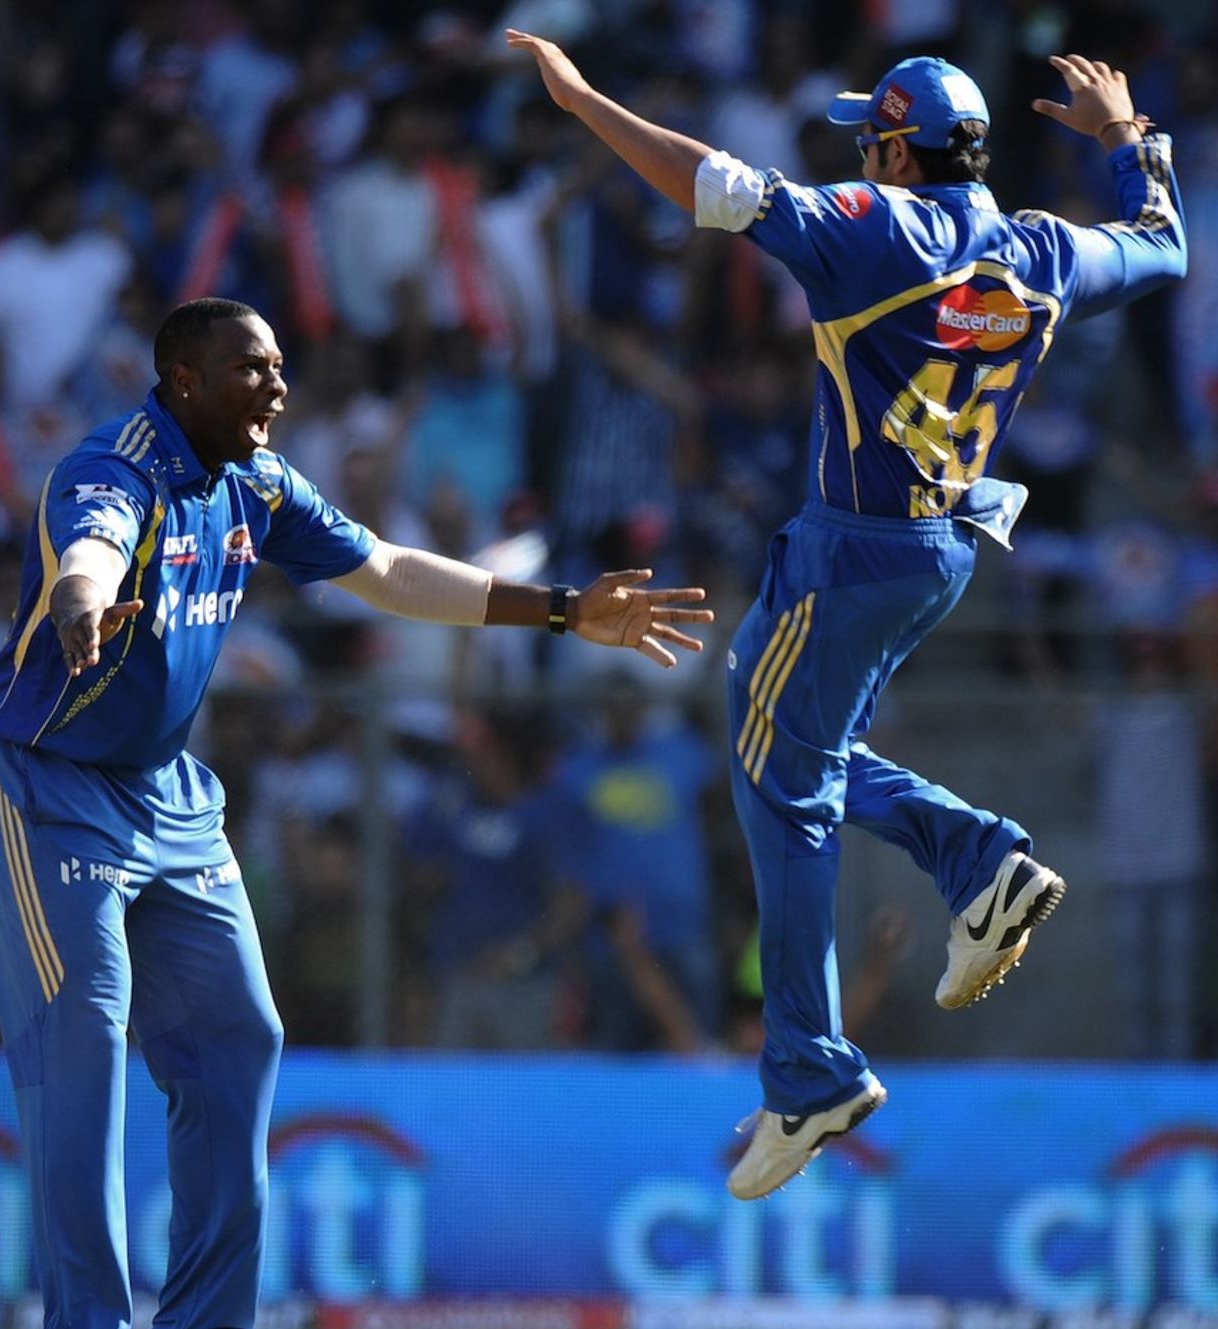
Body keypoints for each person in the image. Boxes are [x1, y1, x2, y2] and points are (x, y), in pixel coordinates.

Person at [0, 296, 713, 1329]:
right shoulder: (113, 465)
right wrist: (81, 599)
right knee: (85, 1034)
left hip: (167, 795)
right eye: (248, 369)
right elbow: (90, 543)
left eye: (277, 368)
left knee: (238, 1037)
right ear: (179, 378)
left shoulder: (257, 485)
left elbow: (387, 570)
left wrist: (563, 611)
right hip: (49, 786)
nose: (274, 387)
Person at [507, 33, 1186, 1197]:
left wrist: (583, 103)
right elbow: (1164, 248)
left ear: (891, 146)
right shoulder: (1038, 250)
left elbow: (712, 186)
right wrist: (1127, 143)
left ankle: (812, 1064)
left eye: (868, 134)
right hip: (942, 547)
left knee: (775, 773)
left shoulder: (875, 224)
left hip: (848, 548)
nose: (858, 150)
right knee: (794, 750)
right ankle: (972, 860)